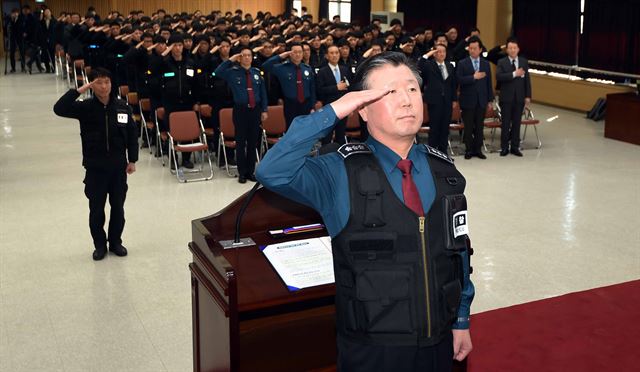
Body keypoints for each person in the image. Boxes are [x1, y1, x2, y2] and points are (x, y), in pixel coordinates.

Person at [256, 52, 474, 372]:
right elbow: (273, 172)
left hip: (439, 341)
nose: (406, 100)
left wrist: (462, 318)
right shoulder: (338, 172)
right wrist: (333, 111)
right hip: (374, 350)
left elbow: (459, 252)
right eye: (390, 92)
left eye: (412, 89)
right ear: (363, 110)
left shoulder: (445, 171)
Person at [53, 68, 138, 261]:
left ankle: (115, 242)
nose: (104, 86)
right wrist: (79, 90)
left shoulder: (123, 107)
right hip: (95, 168)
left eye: (107, 82)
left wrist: (132, 159)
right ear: (92, 85)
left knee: (118, 207)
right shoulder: (85, 108)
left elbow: (132, 135)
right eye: (99, 82)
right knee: (96, 209)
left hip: (118, 168)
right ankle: (99, 245)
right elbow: (59, 108)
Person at [215, 47, 268, 183]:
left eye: (249, 55)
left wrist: (264, 110)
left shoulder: (256, 73)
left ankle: (250, 171)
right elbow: (217, 72)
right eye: (243, 55)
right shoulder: (233, 73)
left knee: (252, 142)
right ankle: (242, 173)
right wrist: (230, 59)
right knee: (241, 142)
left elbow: (263, 93)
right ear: (240, 58)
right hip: (240, 110)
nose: (246, 58)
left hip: (255, 110)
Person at [262, 42, 316, 129]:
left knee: (306, 132)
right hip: (290, 105)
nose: (298, 54)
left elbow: (312, 89)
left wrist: (312, 107)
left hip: (306, 105)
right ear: (290, 53)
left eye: (300, 52)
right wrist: (281, 56)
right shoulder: (282, 68)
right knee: (291, 131)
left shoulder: (307, 69)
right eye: (295, 52)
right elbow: (265, 66)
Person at [456, 36, 493, 159]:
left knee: (479, 126)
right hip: (468, 100)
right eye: (470, 48)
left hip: (481, 100)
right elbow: (459, 80)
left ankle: (478, 149)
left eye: (475, 48)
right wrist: (473, 77)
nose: (472, 51)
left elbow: (488, 83)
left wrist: (490, 100)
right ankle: (469, 150)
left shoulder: (486, 64)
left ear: (480, 49)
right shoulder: (462, 63)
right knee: (468, 126)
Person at [419, 43, 458, 154]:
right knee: (435, 127)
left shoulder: (449, 65)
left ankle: (443, 152)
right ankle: (432, 151)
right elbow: (419, 66)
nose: (441, 54)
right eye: (438, 51)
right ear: (434, 53)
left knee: (445, 128)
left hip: (447, 101)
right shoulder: (429, 65)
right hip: (434, 101)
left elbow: (453, 84)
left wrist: (454, 99)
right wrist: (427, 54)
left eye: (443, 51)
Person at [496, 37, 531, 157]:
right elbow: (499, 77)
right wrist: (514, 74)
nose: (512, 50)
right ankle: (504, 147)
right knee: (505, 123)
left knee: (517, 123)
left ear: (518, 49)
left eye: (514, 48)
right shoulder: (502, 62)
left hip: (519, 97)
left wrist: (528, 96)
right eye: (510, 48)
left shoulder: (523, 62)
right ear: (507, 50)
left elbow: (527, 80)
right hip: (506, 98)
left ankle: (515, 147)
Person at [315, 44, 354, 145]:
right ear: (327, 56)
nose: (334, 55)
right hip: (328, 108)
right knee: (327, 137)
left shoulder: (345, 69)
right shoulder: (322, 71)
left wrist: (350, 107)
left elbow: (349, 90)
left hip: (343, 108)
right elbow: (319, 90)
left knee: (340, 136)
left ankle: (339, 158)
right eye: (331, 53)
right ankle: (325, 158)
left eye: (336, 53)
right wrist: (336, 88)